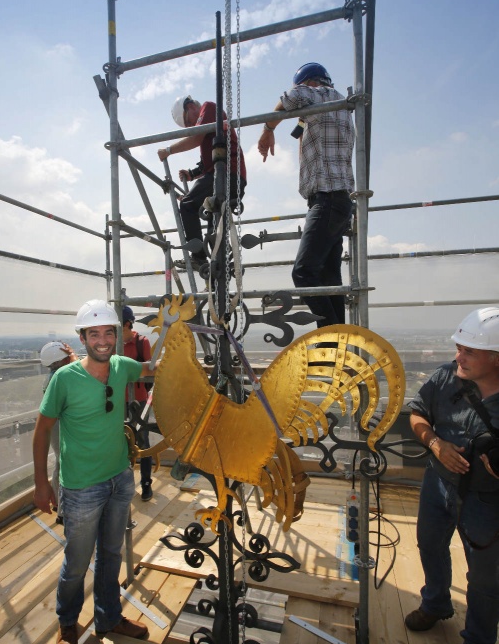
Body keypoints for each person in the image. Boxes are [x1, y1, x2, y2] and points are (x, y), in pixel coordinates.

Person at [33, 299, 156, 644]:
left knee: (111, 554)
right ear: (83, 338)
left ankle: (108, 618)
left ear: (117, 335)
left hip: (118, 477)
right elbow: (41, 433)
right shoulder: (64, 379)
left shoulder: (121, 367)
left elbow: (151, 368)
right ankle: (68, 622)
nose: (102, 340)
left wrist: (178, 344)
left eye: (108, 332)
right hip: (81, 486)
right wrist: (42, 484)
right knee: (77, 560)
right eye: (94, 333)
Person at [405, 307, 499, 644]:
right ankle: (435, 604)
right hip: (438, 486)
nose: (458, 357)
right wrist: (434, 442)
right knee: (429, 544)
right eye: (459, 348)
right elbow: (416, 413)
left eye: (469, 351)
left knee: (485, 577)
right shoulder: (447, 377)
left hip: (486, 501)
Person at [257, 62, 355, 327]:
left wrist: (267, 130)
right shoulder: (339, 108)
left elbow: (292, 97)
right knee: (329, 281)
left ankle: (330, 339)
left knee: (303, 274)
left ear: (310, 82)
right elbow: (301, 123)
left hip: (327, 199)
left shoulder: (321, 95)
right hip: (339, 202)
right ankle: (338, 347)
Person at [157, 95, 247, 272]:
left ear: (190, 107)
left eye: (189, 123)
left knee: (188, 205)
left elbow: (196, 138)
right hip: (231, 176)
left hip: (225, 174)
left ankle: (198, 257)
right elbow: (207, 161)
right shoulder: (210, 124)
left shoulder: (209, 108)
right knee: (214, 234)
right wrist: (191, 174)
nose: (191, 127)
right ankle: (216, 268)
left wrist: (168, 151)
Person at [39, 340, 78, 524]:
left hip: (56, 424)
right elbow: (80, 373)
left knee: (60, 462)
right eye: (65, 358)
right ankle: (63, 511)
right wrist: (74, 357)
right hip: (60, 425)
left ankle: (59, 506)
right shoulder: (60, 377)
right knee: (63, 463)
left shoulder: (52, 376)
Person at [122, 305, 153, 501]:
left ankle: (146, 483)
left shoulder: (142, 342)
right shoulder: (113, 343)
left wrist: (127, 371)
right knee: (121, 442)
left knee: (142, 441)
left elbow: (149, 371)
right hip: (118, 399)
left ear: (127, 324)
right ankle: (125, 485)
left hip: (139, 399)